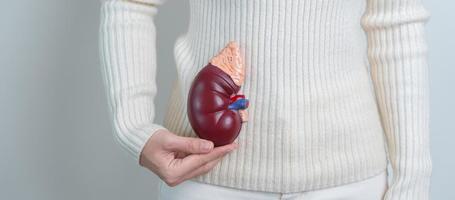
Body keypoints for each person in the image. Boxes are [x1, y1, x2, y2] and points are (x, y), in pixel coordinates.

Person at [98, 0, 432, 199]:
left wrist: (412, 183)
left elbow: (395, 22)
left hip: (351, 181)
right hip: (207, 176)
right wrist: (133, 127)